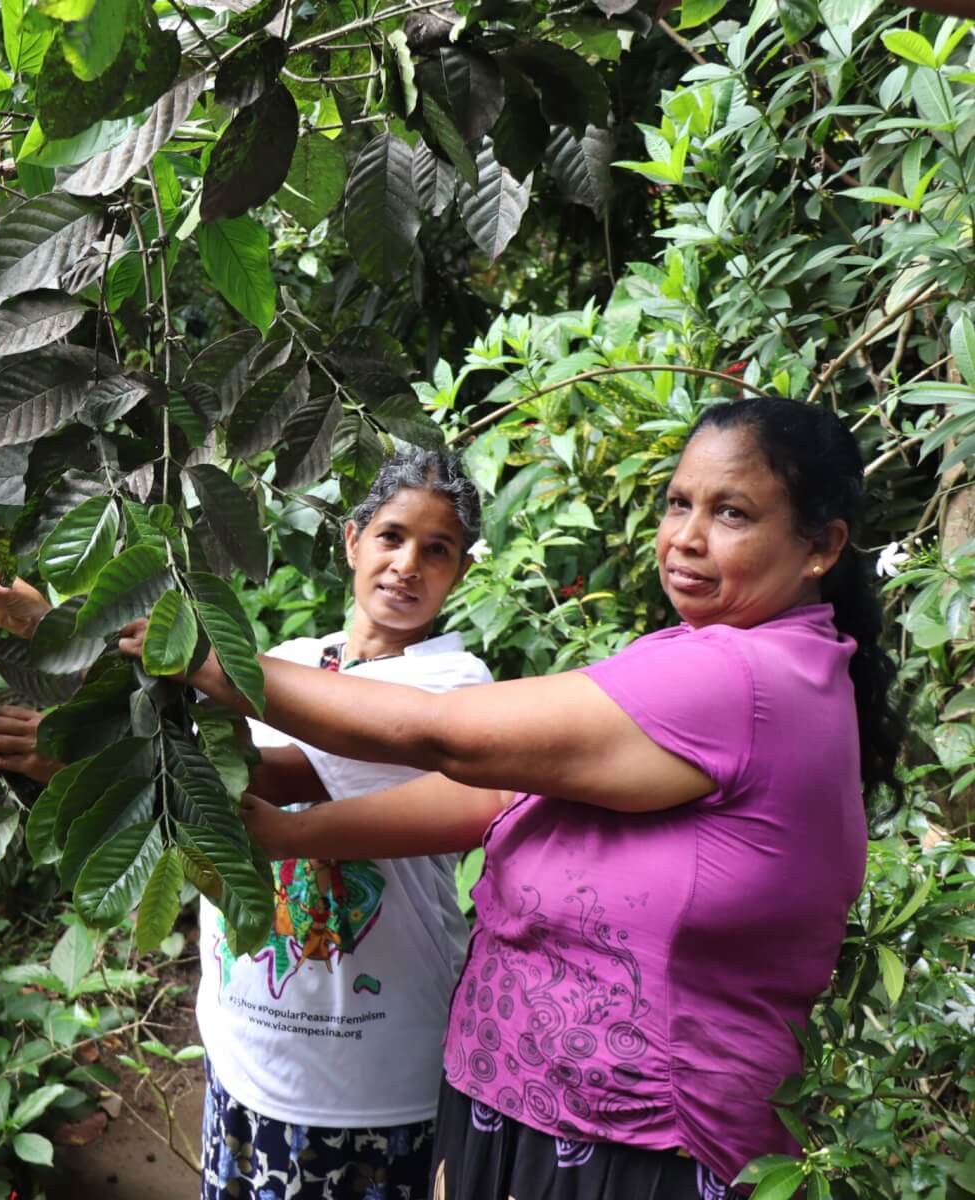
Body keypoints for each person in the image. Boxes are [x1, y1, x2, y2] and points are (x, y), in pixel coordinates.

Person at [119, 398, 900, 1199]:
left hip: (627, 1143)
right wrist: (286, 831)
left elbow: (447, 736)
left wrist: (216, 664)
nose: (687, 537)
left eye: (731, 512)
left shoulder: (740, 679)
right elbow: (495, 792)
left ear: (821, 547)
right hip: (538, 1115)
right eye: (678, 503)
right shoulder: (706, 654)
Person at [0, 450, 495, 1200]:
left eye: (436, 550)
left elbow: (269, 773)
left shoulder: (452, 690)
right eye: (391, 537)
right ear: (351, 541)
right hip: (247, 1058)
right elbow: (192, 783)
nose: (408, 564)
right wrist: (56, 642)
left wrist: (67, 735)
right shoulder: (283, 666)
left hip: (372, 1082)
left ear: (458, 574)